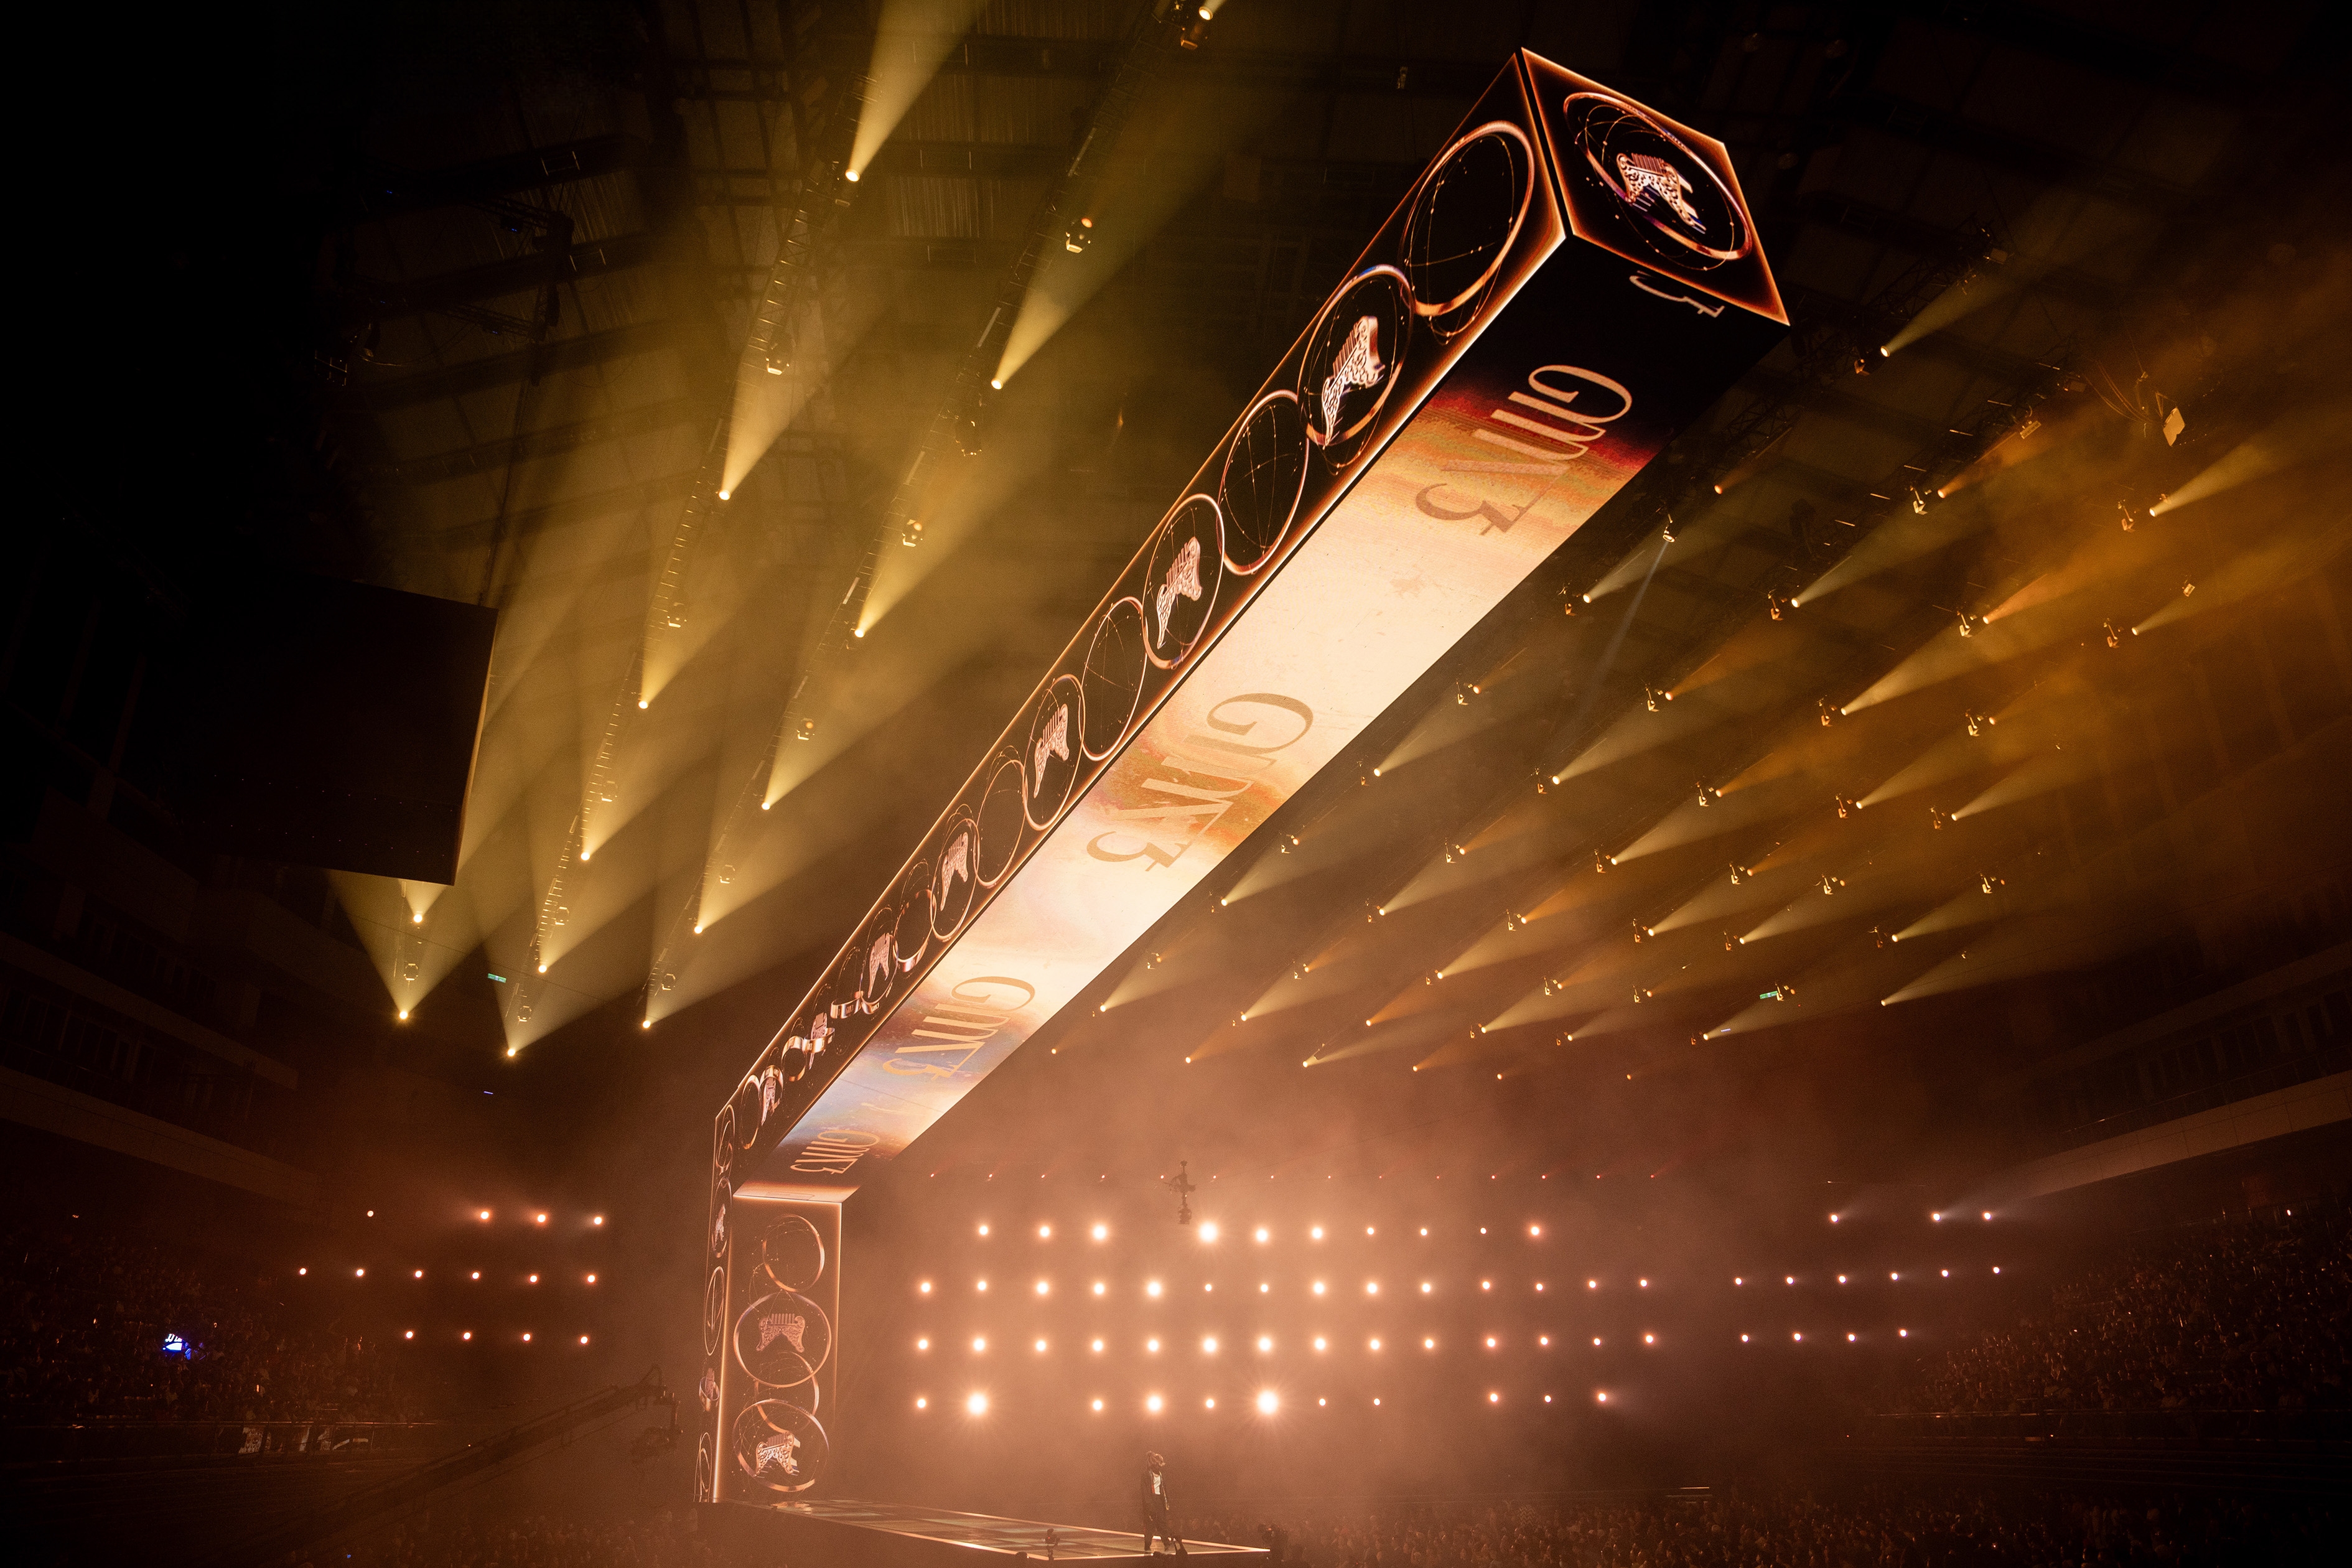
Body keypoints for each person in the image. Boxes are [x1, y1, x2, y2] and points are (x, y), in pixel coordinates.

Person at [1141, 1451, 1178, 1556]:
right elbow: (1145, 1493)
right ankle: (1147, 1545)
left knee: (1162, 1523)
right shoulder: (1146, 1475)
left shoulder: (1161, 1476)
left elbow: (1164, 1490)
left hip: (1159, 1501)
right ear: (1154, 1464)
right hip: (1151, 1501)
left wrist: (1166, 1502)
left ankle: (1167, 1544)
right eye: (1158, 1465)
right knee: (1151, 1525)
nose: (1160, 1467)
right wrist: (1149, 1506)